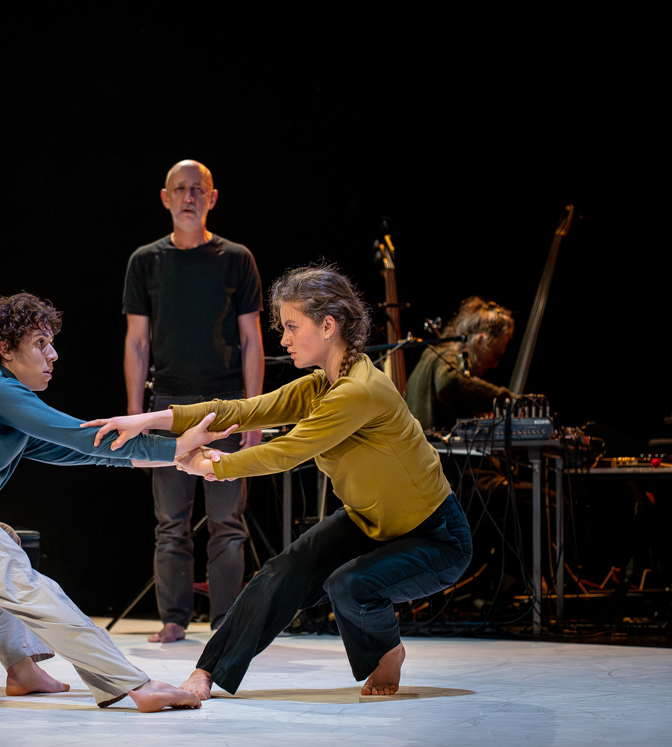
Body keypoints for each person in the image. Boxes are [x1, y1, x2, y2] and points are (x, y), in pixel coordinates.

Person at [86, 264, 472, 698]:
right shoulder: (320, 385)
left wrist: (214, 465)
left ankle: (387, 651)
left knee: (349, 585)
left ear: (328, 326)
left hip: (435, 537)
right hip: (371, 523)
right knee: (280, 572)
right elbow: (240, 410)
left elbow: (288, 451)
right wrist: (147, 419)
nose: (283, 339)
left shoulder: (360, 390)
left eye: (291, 326)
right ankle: (209, 671)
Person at [0, 293, 235, 711]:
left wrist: (178, 456)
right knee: (19, 577)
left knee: (4, 546)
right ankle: (131, 684)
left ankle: (22, 670)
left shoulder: (5, 412)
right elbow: (82, 435)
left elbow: (87, 452)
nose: (53, 354)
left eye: (51, 343)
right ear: (5, 350)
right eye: (39, 343)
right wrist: (180, 443)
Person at [122, 159, 264, 643]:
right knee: (171, 522)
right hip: (168, 404)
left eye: (197, 190)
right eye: (179, 189)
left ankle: (225, 622)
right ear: (165, 198)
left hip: (225, 406)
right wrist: (137, 417)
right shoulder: (146, 261)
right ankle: (174, 619)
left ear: (212, 197)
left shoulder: (236, 258)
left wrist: (256, 410)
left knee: (227, 519)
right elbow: (137, 343)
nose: (188, 197)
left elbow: (251, 340)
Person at [404, 297, 515, 432]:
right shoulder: (445, 356)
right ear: (480, 340)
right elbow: (448, 382)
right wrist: (504, 398)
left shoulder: (431, 356)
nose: (495, 364)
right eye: (496, 355)